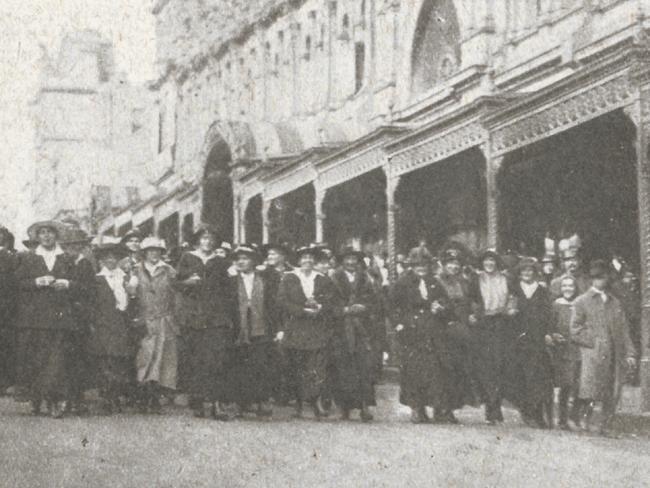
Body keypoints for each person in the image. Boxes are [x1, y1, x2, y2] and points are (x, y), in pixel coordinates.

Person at [14, 221, 77, 418]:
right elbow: (16, 283)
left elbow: (81, 283)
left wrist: (67, 283)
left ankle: (55, 400)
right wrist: (35, 282)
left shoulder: (66, 258)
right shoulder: (29, 258)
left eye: (50, 233)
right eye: (42, 233)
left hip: (60, 317)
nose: (47, 236)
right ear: (37, 237)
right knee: (38, 358)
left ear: (56, 236)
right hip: (36, 318)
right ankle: (36, 398)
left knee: (57, 359)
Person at [570, 259, 636, 435]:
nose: (601, 281)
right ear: (591, 280)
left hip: (615, 354)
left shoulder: (615, 302)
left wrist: (630, 352)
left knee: (611, 391)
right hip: (593, 354)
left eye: (604, 277)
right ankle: (584, 420)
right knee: (589, 390)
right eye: (597, 278)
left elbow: (624, 330)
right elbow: (575, 330)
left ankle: (605, 425)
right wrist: (595, 341)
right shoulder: (581, 301)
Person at [176, 224, 234, 419]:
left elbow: (229, 289)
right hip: (195, 316)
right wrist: (187, 283)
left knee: (216, 360)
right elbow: (176, 283)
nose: (207, 242)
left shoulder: (221, 261)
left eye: (210, 239)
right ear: (197, 240)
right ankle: (199, 401)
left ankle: (217, 404)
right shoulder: (187, 258)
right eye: (203, 238)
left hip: (217, 316)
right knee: (197, 359)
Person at [392, 246, 455, 424]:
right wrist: (399, 324)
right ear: (411, 266)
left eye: (424, 264)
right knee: (413, 372)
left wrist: (441, 308)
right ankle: (416, 408)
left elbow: (447, 304)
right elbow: (391, 307)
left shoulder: (434, 282)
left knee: (435, 371)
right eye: (417, 264)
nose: (421, 268)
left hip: (432, 332)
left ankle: (437, 407)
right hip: (411, 332)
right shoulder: (402, 283)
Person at [277, 245, 341, 419]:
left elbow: (333, 301)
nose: (307, 261)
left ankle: (316, 402)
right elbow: (282, 301)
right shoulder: (289, 278)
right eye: (304, 258)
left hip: (316, 328)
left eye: (311, 258)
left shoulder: (322, 279)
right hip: (296, 326)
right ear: (298, 261)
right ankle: (298, 404)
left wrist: (321, 307)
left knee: (316, 367)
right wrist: (301, 310)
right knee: (296, 365)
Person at [128, 237, 179, 413]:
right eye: (150, 251)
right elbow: (128, 295)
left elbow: (175, 296)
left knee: (162, 358)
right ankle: (143, 396)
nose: (154, 254)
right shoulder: (135, 270)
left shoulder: (169, 271)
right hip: (143, 319)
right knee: (145, 357)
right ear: (144, 253)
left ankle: (156, 397)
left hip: (164, 319)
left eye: (157, 251)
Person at [229, 244, 280, 417]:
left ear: (254, 261)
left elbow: (273, 300)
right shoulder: (231, 279)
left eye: (245, 258)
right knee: (239, 364)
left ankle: (261, 400)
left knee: (260, 363)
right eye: (238, 259)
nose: (241, 262)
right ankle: (241, 402)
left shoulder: (263, 277)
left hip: (261, 325)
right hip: (239, 327)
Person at [468, 249, 517, 425]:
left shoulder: (505, 279)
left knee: (500, 366)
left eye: (492, 261)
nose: (490, 264)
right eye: (486, 261)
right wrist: (472, 315)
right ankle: (491, 408)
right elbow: (470, 300)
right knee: (486, 367)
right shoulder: (476, 280)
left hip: (501, 323)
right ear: (482, 263)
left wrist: (511, 308)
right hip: (483, 325)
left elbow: (513, 297)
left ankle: (496, 407)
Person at [329, 247, 378, 422]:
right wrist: (344, 310)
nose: (351, 262)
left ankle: (364, 406)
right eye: (347, 259)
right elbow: (328, 301)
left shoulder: (365, 278)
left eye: (354, 259)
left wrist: (364, 307)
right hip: (340, 327)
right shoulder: (333, 278)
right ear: (342, 261)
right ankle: (344, 407)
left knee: (363, 367)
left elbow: (374, 300)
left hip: (361, 327)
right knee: (343, 367)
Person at [507, 257, 554, 429]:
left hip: (536, 338)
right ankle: (525, 410)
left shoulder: (541, 291)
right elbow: (508, 310)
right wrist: (510, 312)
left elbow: (548, 313)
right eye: (524, 271)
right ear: (520, 273)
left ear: (535, 273)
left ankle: (537, 412)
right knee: (520, 375)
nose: (527, 274)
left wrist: (547, 333)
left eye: (530, 271)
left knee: (537, 375)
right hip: (517, 337)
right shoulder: (514, 290)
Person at [89, 238, 134, 413]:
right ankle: (106, 398)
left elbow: (131, 302)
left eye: (114, 257)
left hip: (121, 323)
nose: (111, 261)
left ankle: (115, 396)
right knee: (105, 361)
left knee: (119, 360)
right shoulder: (97, 279)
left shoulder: (125, 278)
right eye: (107, 258)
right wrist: (95, 322)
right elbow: (92, 304)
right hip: (104, 324)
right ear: (101, 260)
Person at [435, 246, 477, 419]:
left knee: (458, 368)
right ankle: (440, 407)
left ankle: (451, 407)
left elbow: (470, 302)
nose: (453, 266)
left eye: (456, 263)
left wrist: (473, 314)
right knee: (443, 368)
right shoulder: (437, 281)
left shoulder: (464, 282)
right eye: (450, 263)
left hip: (461, 327)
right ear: (444, 264)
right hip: (442, 328)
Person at [60, 227, 95, 415]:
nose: (71, 250)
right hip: (63, 317)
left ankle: (78, 399)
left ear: (81, 247)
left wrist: (70, 285)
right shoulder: (62, 263)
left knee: (79, 358)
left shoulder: (86, 265)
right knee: (63, 358)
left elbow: (90, 289)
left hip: (80, 317)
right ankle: (65, 398)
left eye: (76, 246)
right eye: (68, 246)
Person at [549, 275, 581, 430]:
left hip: (578, 348)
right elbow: (550, 325)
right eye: (565, 286)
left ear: (575, 288)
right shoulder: (556, 304)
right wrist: (554, 335)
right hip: (562, 350)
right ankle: (562, 419)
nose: (568, 289)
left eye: (571, 286)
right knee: (565, 384)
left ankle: (575, 418)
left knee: (578, 384)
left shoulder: (580, 304)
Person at [0, 226, 18, 394]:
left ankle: (5, 382)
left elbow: (14, 282)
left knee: (5, 343)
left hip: (6, 306)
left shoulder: (11, 257)